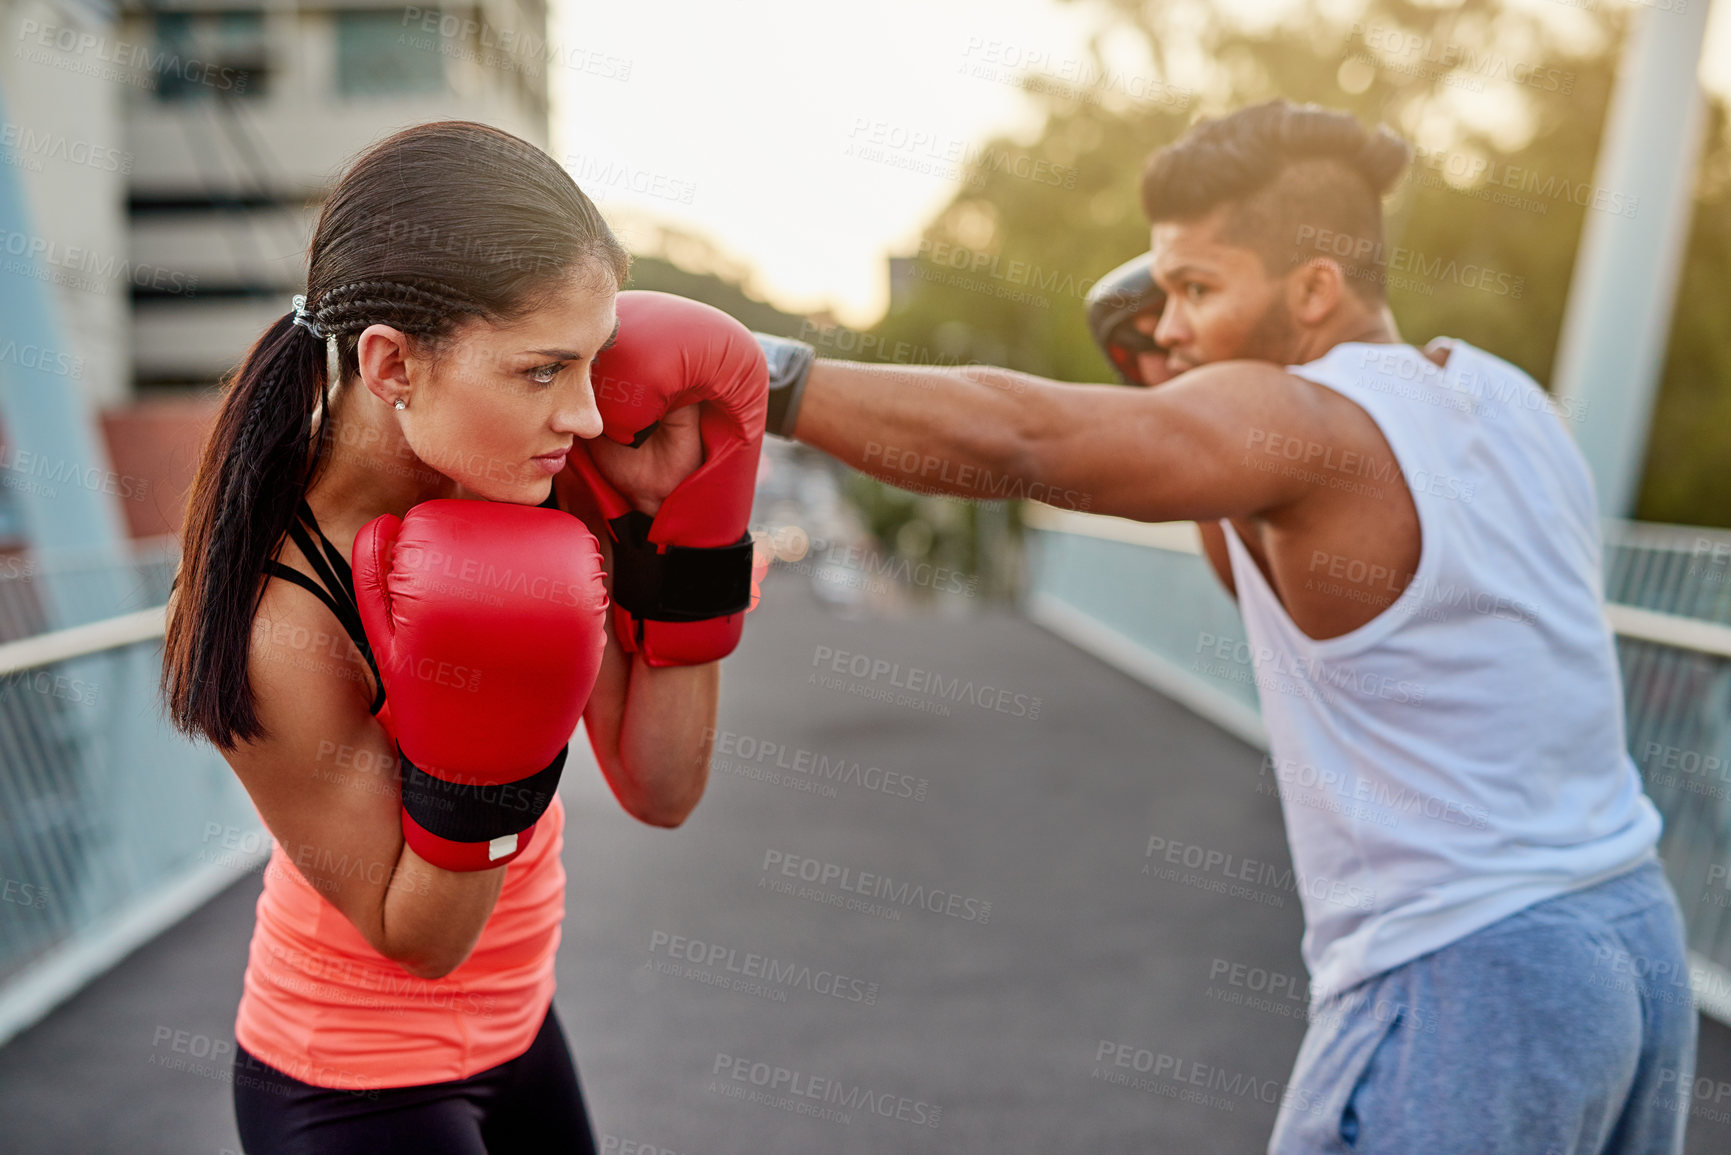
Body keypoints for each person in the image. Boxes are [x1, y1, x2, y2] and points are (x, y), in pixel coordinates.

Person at [755, 100, 1694, 1153]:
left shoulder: (1307, 420)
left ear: (1315, 290)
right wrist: (1182, 407)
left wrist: (772, 379)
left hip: (1462, 979)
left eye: (1197, 290)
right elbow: (1298, 587)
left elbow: (1025, 440)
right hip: (1630, 946)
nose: (1167, 325)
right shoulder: (1506, 396)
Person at [160, 121, 764, 1154]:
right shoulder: (281, 612)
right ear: (392, 364)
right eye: (543, 370)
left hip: (522, 1028)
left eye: (591, 363)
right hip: (349, 1078)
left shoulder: (522, 474)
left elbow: (664, 790)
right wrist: (489, 746)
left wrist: (682, 544)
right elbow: (422, 939)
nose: (582, 413)